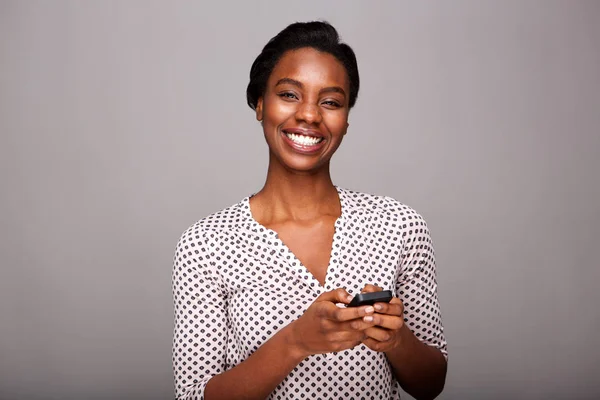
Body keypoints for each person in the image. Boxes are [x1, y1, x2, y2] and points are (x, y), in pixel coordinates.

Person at [172, 21, 447, 400]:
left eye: (331, 102)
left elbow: (432, 383)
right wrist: (295, 341)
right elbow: (193, 396)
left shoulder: (399, 226)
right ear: (260, 104)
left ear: (346, 120)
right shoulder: (206, 244)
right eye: (289, 94)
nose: (310, 116)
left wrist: (397, 341)